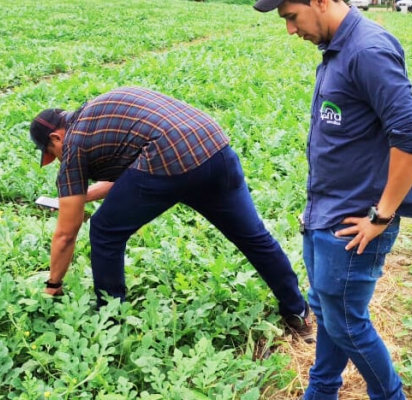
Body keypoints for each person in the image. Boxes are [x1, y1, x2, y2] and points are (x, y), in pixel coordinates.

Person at [28, 86, 314, 342]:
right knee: (253, 236)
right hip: (214, 147)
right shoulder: (100, 112)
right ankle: (297, 311)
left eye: (54, 152)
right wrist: (84, 196)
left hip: (170, 161)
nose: (59, 160)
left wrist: (53, 285)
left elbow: (66, 233)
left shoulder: (75, 143)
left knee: (104, 231)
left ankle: (110, 322)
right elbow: (133, 174)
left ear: (56, 136)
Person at [253, 0, 412, 399]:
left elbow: (411, 136)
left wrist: (381, 216)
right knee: (328, 307)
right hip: (325, 210)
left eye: (291, 17)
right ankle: (321, 391)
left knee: (347, 320)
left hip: (354, 220)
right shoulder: (337, 49)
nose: (291, 31)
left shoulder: (367, 50)